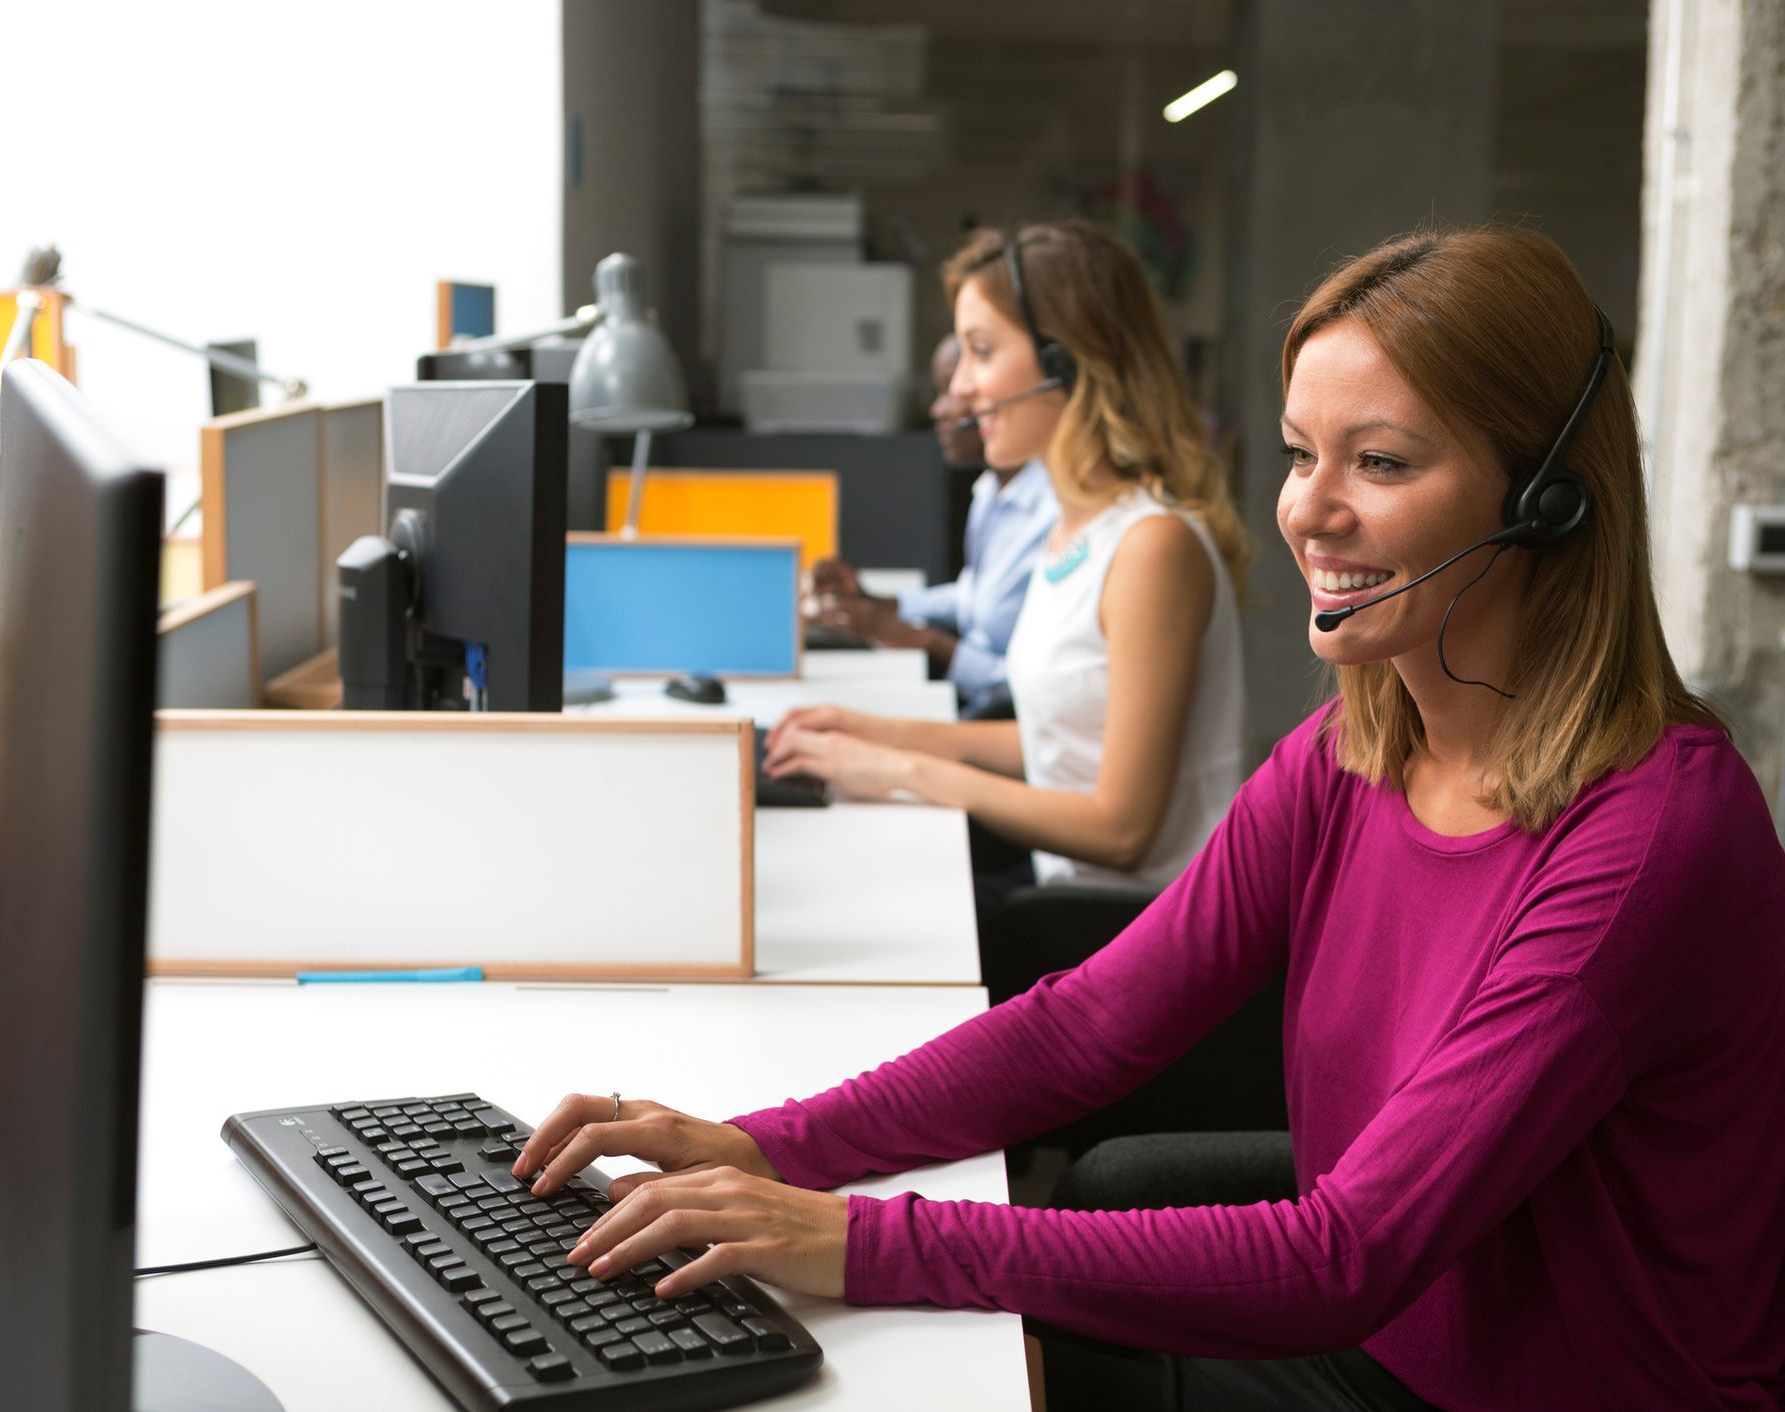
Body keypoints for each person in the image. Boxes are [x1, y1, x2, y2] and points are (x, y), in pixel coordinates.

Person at [510, 227, 1785, 1410]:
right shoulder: (1352, 748)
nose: (1309, 510)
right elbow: (1095, 1022)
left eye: (1381, 462)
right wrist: (768, 1143)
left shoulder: (1644, 839)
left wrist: (856, 1236)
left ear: (1546, 500)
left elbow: (1346, 1253)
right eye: (1299, 452)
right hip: (1412, 1326)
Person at [768, 222, 1253, 894]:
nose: (961, 387)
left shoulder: (1152, 548)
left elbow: (1121, 829)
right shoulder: (1071, 527)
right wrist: (868, 733)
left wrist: (902, 772)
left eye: (982, 351)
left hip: (1137, 935)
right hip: (1075, 904)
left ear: (1066, 361)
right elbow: (1059, 745)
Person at [808, 333, 1056, 718]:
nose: (939, 409)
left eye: (951, 391)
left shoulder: (1054, 512)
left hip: (1005, 722)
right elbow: (975, 597)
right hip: (976, 710)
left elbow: (1028, 693)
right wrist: (877, 604)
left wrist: (925, 641)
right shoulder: (993, 489)